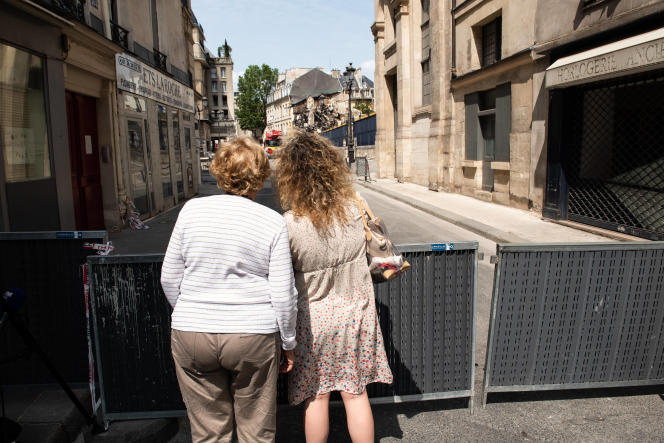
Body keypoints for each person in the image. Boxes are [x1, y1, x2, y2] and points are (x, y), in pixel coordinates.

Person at [161, 136, 297, 443]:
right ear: (261, 175)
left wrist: (191, 311)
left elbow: (169, 277)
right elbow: (283, 294)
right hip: (253, 334)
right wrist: (288, 341)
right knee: (256, 430)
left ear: (219, 171)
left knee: (209, 432)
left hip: (192, 331)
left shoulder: (191, 211)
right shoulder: (272, 221)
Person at [276, 131, 393, 443]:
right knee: (356, 394)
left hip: (314, 323)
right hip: (357, 314)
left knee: (317, 397)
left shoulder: (289, 224)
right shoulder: (356, 207)